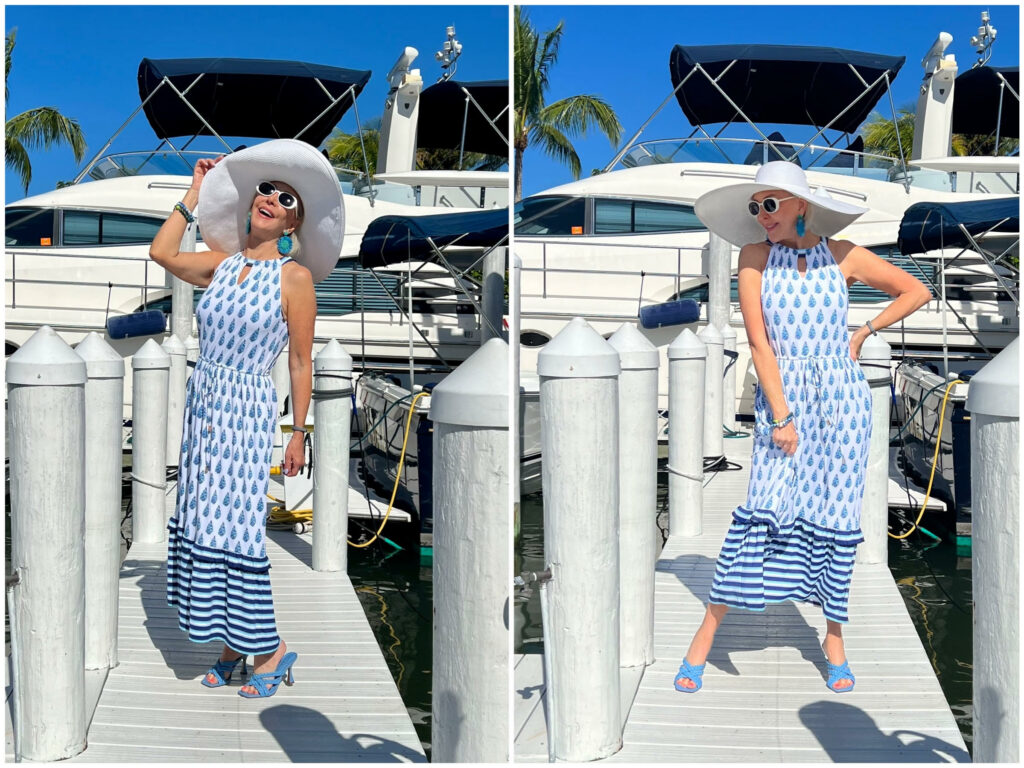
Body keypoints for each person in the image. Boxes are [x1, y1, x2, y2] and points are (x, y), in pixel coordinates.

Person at [673, 161, 931, 693]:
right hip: (784, 404)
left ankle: (834, 640)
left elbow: (914, 292)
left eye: (771, 204)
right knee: (763, 510)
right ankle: (706, 636)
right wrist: (782, 416)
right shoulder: (754, 258)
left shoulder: (845, 255)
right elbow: (760, 345)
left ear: (800, 205)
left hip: (843, 403)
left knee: (835, 515)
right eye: (756, 206)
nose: (762, 215)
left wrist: (863, 333)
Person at [149, 139, 344, 698]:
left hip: (246, 409)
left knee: (238, 534)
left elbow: (302, 361)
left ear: (292, 224)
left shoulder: (295, 278)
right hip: (204, 405)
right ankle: (233, 644)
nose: (271, 199)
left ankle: (272, 650)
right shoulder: (220, 261)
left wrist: (298, 434)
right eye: (265, 190)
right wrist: (191, 194)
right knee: (203, 521)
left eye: (286, 199)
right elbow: (161, 254)